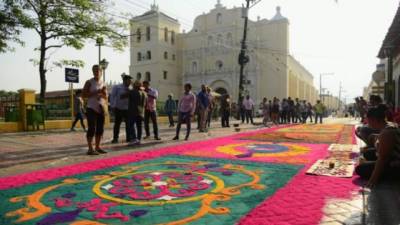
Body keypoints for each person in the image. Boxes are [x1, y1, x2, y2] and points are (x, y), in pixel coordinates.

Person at [355, 106, 400, 187]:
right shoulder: (390, 125)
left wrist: (373, 180)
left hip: (395, 165)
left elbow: (382, 159)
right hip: (391, 158)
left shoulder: (387, 133)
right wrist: (377, 137)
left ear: (374, 120)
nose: (367, 123)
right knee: (367, 153)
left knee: (360, 169)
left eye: (368, 121)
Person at [82, 65, 107, 155]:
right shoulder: (89, 82)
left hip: (100, 108)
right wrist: (95, 92)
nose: (96, 72)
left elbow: (106, 97)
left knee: (100, 128)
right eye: (95, 71)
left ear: (101, 72)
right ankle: (90, 149)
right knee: (92, 128)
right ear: (92, 72)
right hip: (91, 108)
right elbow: (83, 95)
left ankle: (98, 147)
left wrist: (103, 94)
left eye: (98, 71)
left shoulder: (103, 82)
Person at [110, 73, 131, 143]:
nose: (130, 82)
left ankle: (129, 138)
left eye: (130, 81)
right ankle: (115, 138)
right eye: (128, 80)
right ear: (124, 80)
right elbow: (112, 96)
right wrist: (112, 106)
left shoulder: (131, 88)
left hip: (127, 109)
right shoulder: (117, 87)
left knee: (128, 124)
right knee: (117, 124)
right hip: (118, 108)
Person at [128, 80, 147, 145]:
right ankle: (139, 139)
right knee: (139, 126)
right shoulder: (144, 93)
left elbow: (123, 96)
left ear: (135, 85)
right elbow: (145, 104)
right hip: (141, 111)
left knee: (131, 125)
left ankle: (134, 138)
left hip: (133, 111)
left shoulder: (132, 92)